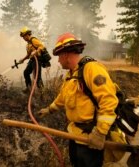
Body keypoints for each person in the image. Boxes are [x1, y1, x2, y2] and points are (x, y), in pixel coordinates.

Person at [38, 33, 118, 167]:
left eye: (59, 57)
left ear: (65, 55)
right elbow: (62, 98)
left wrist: (100, 132)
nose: (58, 61)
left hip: (90, 138)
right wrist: (49, 109)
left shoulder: (91, 69)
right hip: (75, 135)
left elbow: (108, 100)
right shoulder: (71, 75)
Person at [18, 26, 46, 93]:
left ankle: (43, 92)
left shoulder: (33, 40)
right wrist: (23, 59)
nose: (23, 38)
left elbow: (42, 46)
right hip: (32, 60)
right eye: (23, 37)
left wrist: (36, 51)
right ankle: (29, 88)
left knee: (37, 77)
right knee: (26, 72)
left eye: (24, 36)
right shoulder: (28, 45)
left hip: (37, 60)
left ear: (28, 34)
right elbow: (28, 55)